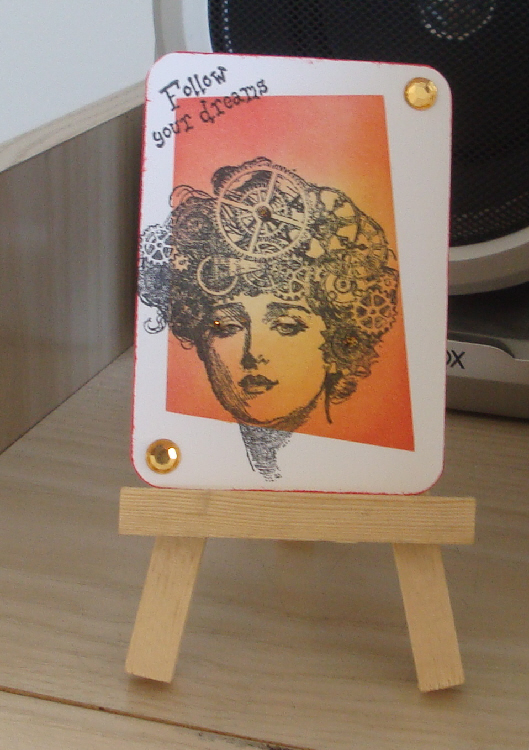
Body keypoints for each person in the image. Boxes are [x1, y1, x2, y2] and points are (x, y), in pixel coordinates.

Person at [138, 157, 399, 479]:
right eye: (226, 327)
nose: (252, 354)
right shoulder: (201, 470)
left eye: (287, 326)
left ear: (338, 344)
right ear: (201, 343)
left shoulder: (372, 471)